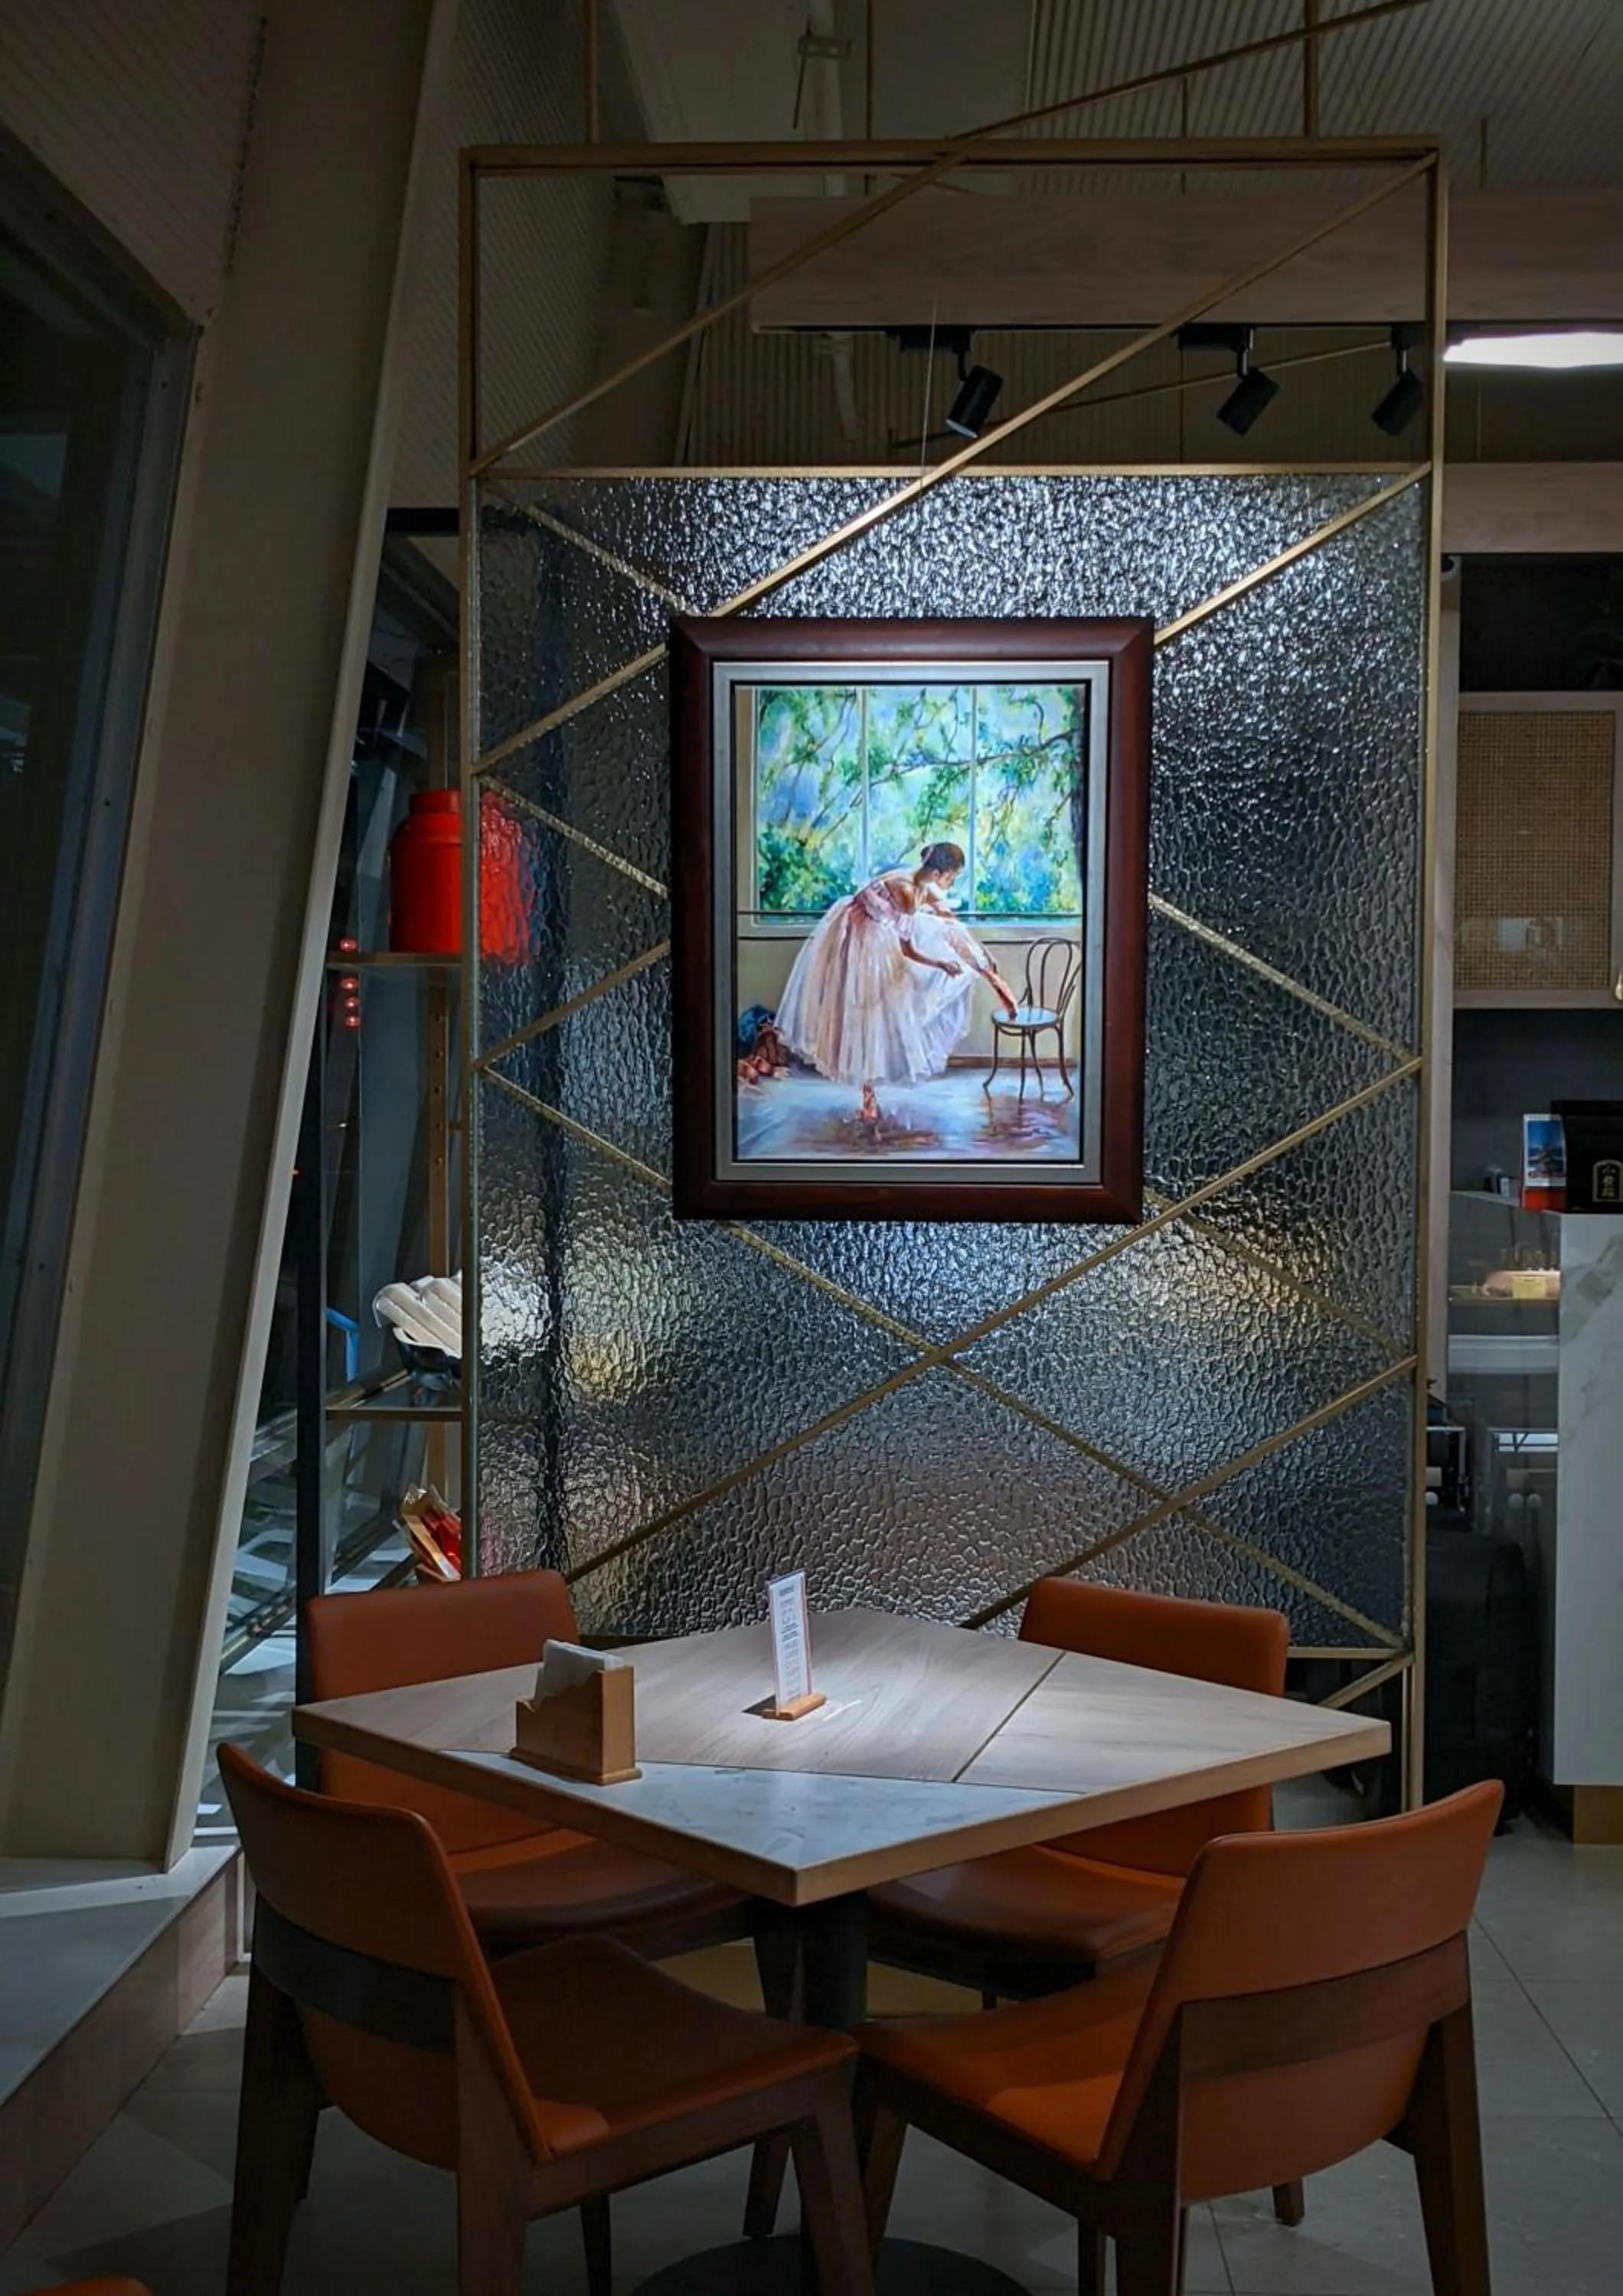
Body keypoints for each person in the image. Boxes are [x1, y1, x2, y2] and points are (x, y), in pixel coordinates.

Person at [774, 841, 1017, 1125]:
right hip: (858, 939)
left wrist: (983, 959)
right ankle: (868, 1094)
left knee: (942, 933)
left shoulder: (920, 882)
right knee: (869, 1016)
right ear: (939, 872)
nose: (952, 883)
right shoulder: (907, 892)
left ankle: (992, 978)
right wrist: (940, 964)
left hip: (879, 931)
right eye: (952, 877)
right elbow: (909, 951)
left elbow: (951, 922)